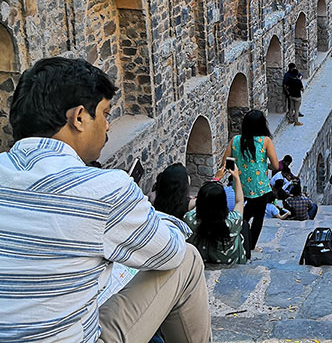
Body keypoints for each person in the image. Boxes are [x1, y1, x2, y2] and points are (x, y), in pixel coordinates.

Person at [0, 57, 210, 341]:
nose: (108, 126)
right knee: (187, 259)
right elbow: (169, 251)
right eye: (105, 113)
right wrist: (153, 216)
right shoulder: (104, 189)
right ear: (79, 118)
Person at [224, 109, 280, 259]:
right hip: (260, 185)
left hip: (240, 185)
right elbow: (276, 165)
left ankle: (237, 237)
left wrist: (239, 169)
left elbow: (227, 162)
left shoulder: (235, 140)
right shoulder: (265, 141)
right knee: (258, 217)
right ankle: (250, 246)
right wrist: (264, 166)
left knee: (243, 212)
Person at [184, 169, 248, 265]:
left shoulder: (190, 219)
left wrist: (216, 179)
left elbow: (201, 201)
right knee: (245, 226)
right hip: (231, 262)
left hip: (201, 260)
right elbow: (239, 201)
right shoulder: (232, 222)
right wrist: (236, 177)